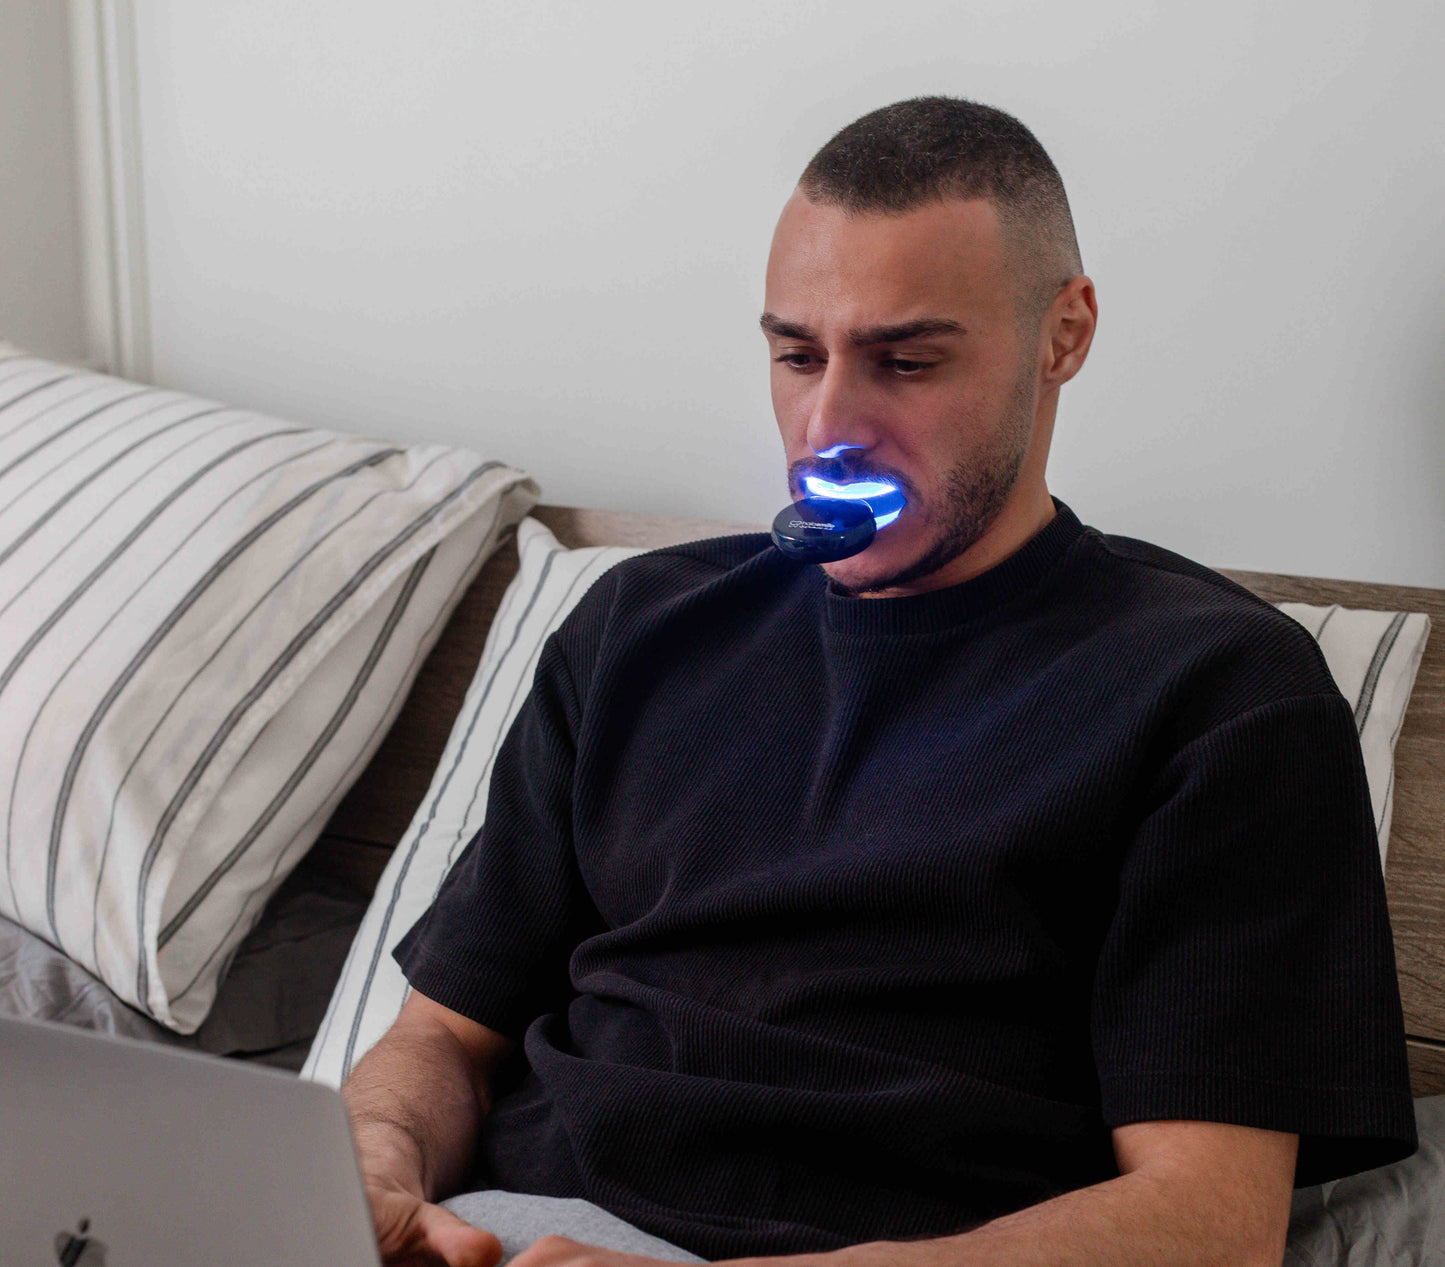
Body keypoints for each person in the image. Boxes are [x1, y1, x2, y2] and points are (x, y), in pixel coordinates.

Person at [342, 97, 1416, 1267]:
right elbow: (443, 1038)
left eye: (904, 361)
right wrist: (365, 1168)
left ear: (1063, 334)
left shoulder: (1219, 690)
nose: (826, 426)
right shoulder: (632, 628)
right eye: (795, 355)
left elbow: (1204, 1224)